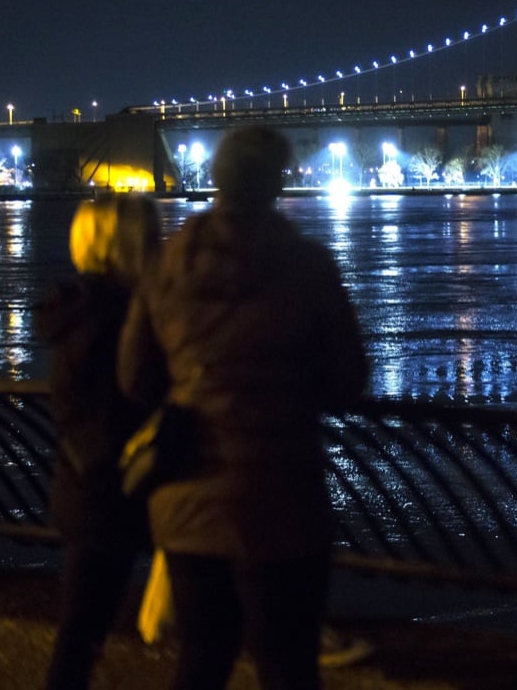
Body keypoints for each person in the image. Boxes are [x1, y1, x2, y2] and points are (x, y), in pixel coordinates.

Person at [117, 125, 369, 690]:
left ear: (218, 179)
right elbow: (348, 380)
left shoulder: (166, 267)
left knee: (201, 664)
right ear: (276, 182)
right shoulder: (308, 266)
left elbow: (134, 379)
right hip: (282, 498)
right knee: (288, 667)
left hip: (187, 503)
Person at [37, 192, 161, 690]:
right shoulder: (114, 318)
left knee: (82, 635)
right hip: (111, 497)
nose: (160, 245)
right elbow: (114, 412)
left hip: (89, 492)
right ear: (123, 246)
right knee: (80, 639)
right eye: (150, 236)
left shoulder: (79, 312)